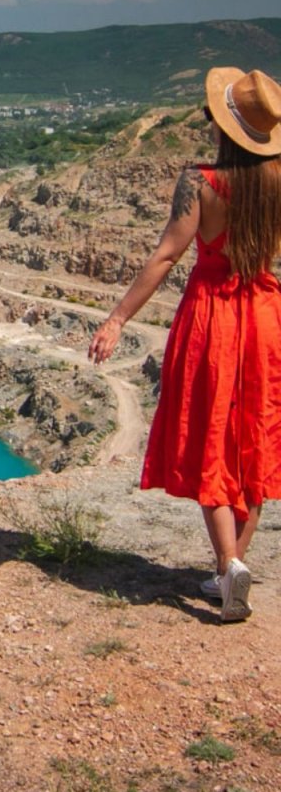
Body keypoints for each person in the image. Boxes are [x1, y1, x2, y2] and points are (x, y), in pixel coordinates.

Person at [89, 67, 281, 622]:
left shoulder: (199, 182)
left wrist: (116, 320)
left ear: (221, 125)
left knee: (210, 436)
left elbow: (165, 257)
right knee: (255, 439)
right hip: (266, 317)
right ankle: (231, 569)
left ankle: (228, 568)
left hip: (214, 318)